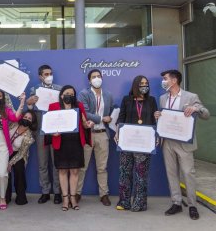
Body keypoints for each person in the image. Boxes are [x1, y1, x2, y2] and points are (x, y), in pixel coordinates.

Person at [154, 69, 210, 220]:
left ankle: (192, 205)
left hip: (185, 143)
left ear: (174, 80)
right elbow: (164, 118)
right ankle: (176, 202)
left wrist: (196, 108)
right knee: (171, 174)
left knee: (188, 174)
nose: (163, 81)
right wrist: (157, 116)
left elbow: (206, 114)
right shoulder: (162, 98)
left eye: (165, 78)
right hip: (168, 142)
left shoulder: (191, 97)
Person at [115, 75, 158, 212]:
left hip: (144, 144)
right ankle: (124, 201)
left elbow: (154, 121)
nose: (144, 85)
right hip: (127, 143)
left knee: (141, 174)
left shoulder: (151, 100)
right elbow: (121, 118)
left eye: (146, 83)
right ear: (135, 85)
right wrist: (117, 133)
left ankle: (140, 203)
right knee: (125, 173)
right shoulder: (127, 100)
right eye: (142, 83)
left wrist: (156, 135)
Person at [48, 85, 93, 211]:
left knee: (74, 171)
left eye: (72, 94)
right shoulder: (53, 106)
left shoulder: (79, 105)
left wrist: (87, 124)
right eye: (67, 93)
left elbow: (84, 123)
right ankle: (65, 198)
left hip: (75, 142)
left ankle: (73, 197)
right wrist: (52, 132)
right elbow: (48, 125)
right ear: (61, 95)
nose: (70, 95)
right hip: (60, 141)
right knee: (62, 171)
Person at [76, 69, 114, 206]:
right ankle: (77, 193)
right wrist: (102, 118)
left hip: (103, 134)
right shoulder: (84, 93)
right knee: (82, 167)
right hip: (88, 134)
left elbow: (113, 111)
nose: (97, 78)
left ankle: (104, 194)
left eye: (99, 76)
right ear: (89, 80)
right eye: (94, 77)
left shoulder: (108, 95)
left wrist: (111, 118)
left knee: (102, 167)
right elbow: (84, 111)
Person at [26, 64, 62, 204]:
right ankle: (45, 191)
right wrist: (29, 103)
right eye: (46, 74)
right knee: (42, 163)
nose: (49, 76)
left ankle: (57, 192)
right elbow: (29, 110)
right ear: (40, 76)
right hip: (41, 131)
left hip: (56, 132)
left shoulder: (59, 89)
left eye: (50, 73)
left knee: (56, 163)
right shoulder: (34, 90)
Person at [5, 110, 37, 205]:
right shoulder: (13, 124)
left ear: (32, 122)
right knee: (5, 174)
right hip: (5, 152)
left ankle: (21, 197)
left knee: (19, 170)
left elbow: (22, 152)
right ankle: (5, 197)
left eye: (29, 118)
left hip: (19, 155)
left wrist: (10, 163)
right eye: (25, 117)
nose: (26, 119)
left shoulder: (29, 137)